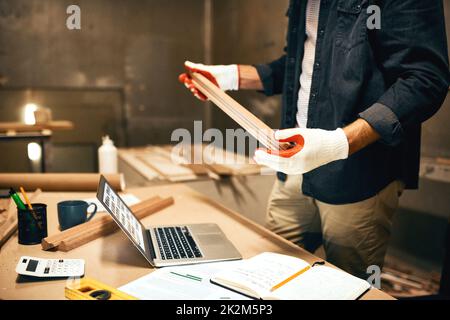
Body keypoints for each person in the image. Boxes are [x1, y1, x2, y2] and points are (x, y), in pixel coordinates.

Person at [179, 0, 450, 279]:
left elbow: (425, 79)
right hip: (295, 165)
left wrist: (338, 144)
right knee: (267, 274)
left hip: (359, 173)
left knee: (347, 284)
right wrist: (229, 76)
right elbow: (303, 63)